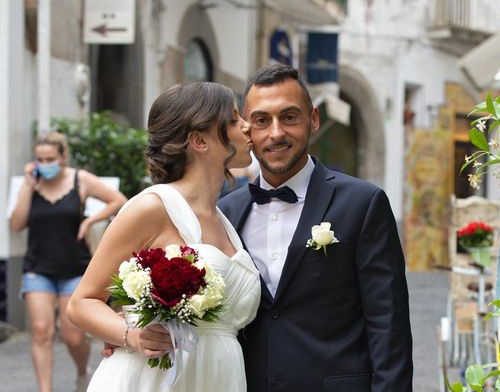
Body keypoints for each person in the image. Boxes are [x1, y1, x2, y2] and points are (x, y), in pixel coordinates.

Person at [218, 64, 413, 392]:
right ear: (247, 130)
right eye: (262, 120)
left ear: (314, 119)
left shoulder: (363, 204)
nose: (276, 133)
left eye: (289, 117)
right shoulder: (227, 212)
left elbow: (388, 325)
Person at [67, 82, 260, 391]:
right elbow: (81, 303)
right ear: (200, 140)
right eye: (235, 119)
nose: (248, 127)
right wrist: (129, 334)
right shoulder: (152, 207)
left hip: (218, 376)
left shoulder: (225, 218)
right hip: (156, 378)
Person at [9, 131, 127, 392]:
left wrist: (89, 220)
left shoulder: (79, 179)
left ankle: (81, 370)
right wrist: (28, 187)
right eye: (39, 158)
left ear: (63, 157)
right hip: (37, 268)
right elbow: (16, 224)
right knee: (41, 331)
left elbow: (119, 201)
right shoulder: (31, 185)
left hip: (75, 266)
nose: (44, 163)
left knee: (73, 336)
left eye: (50, 157)